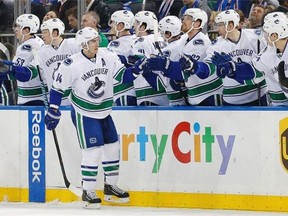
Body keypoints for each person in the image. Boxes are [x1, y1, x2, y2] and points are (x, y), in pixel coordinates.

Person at [44, 27, 130, 209]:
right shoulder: (71, 64)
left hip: (105, 110)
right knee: (93, 151)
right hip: (85, 112)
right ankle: (88, 190)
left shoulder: (108, 56)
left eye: (97, 40)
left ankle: (110, 187)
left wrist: (139, 69)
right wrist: (53, 109)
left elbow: (123, 77)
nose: (97, 44)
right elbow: (57, 88)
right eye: (93, 41)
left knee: (113, 147)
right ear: (83, 44)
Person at [180, 9, 268, 106]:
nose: (218, 29)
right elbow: (209, 68)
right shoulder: (216, 45)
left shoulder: (256, 38)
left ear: (230, 25)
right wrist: (196, 67)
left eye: (221, 25)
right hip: (231, 99)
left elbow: (265, 63)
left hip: (258, 95)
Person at [217, 12, 288, 105]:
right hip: (278, 106)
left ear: (275, 36)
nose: (264, 37)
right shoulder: (269, 52)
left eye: (266, 33)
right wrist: (234, 69)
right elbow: (254, 70)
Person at [0, 14, 45, 106]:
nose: (15, 29)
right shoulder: (38, 41)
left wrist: (3, 65)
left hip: (31, 98)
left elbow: (20, 73)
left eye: (18, 26)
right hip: (39, 96)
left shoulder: (27, 47)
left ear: (26, 30)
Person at [107, 10, 138, 106]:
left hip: (122, 90)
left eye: (113, 22)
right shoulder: (137, 40)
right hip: (135, 89)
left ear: (120, 26)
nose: (111, 26)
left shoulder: (115, 44)